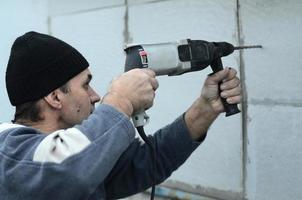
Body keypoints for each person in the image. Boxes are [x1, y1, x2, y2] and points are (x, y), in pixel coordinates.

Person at [0, 31, 241, 200]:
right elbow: (66, 171)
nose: (95, 96)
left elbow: (148, 162)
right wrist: (121, 100)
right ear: (55, 98)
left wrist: (206, 108)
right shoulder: (9, 154)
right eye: (85, 85)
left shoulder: (83, 155)